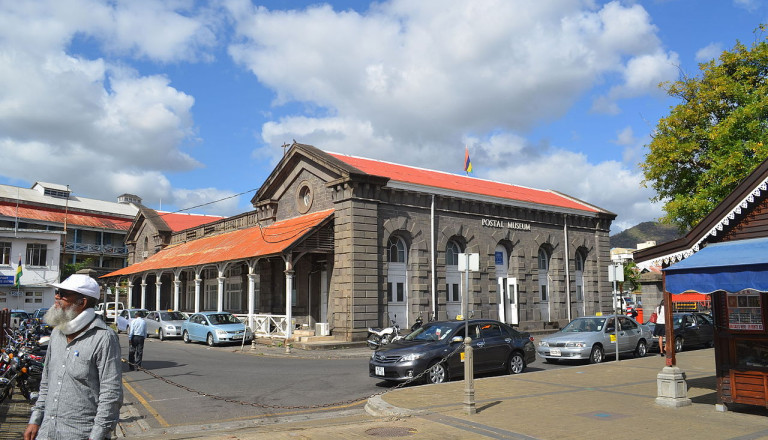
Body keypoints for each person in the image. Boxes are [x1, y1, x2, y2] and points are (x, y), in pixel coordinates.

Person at [24, 274, 122, 440]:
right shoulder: (57, 333)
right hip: (47, 430)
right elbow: (47, 381)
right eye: (57, 292)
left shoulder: (104, 338)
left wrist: (97, 435)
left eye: (63, 294)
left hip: (81, 433)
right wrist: (35, 420)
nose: (57, 296)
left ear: (81, 302)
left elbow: (111, 393)